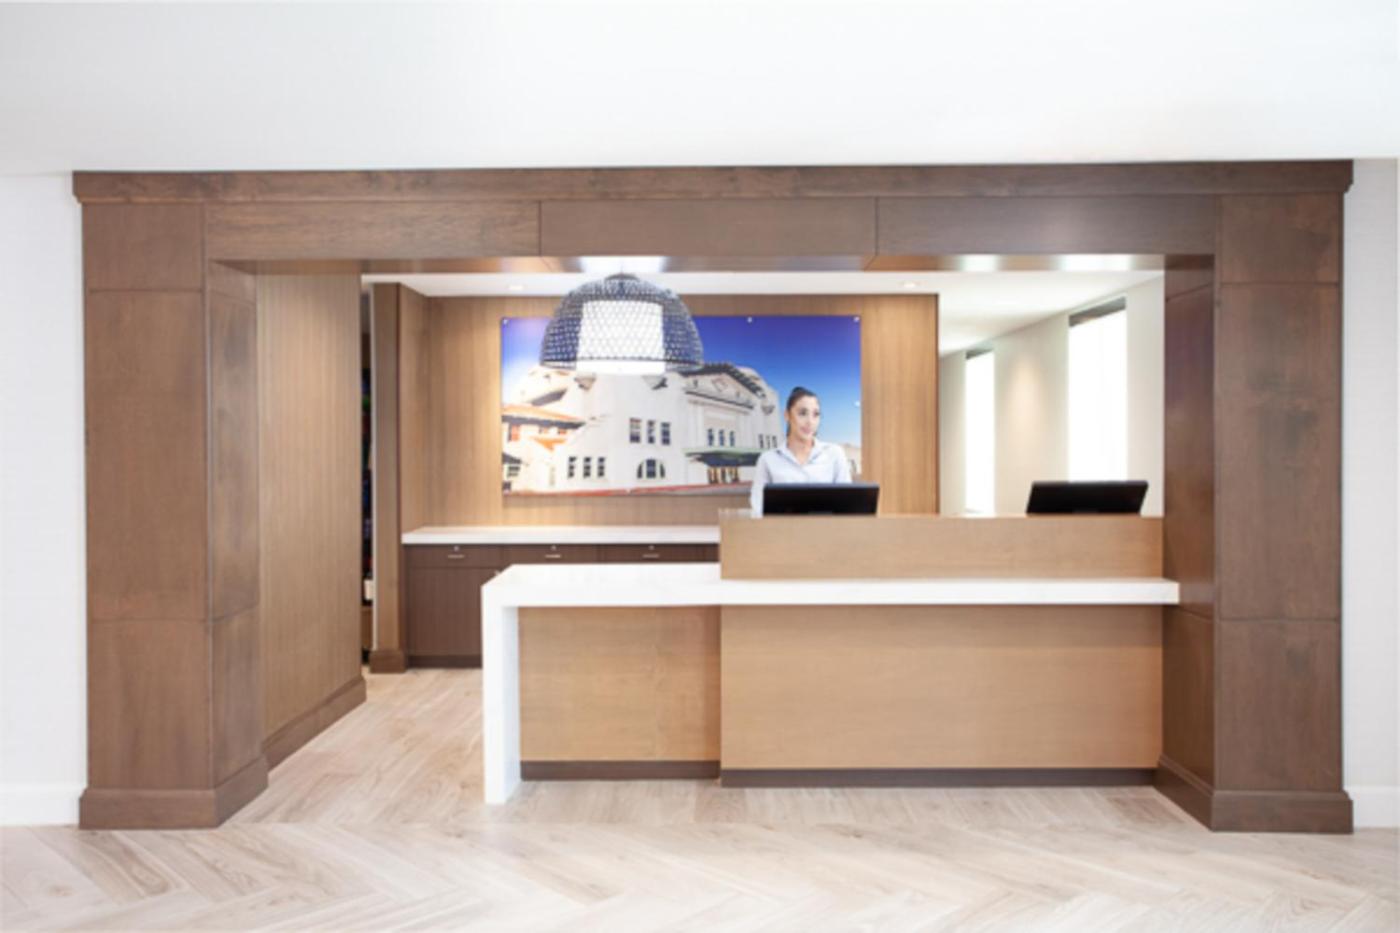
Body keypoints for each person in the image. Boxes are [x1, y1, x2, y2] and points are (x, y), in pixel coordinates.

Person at [749, 386, 853, 515]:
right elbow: (758, 510)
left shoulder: (835, 454)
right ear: (787, 415)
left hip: (826, 528)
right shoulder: (768, 460)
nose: (810, 421)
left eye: (816, 414)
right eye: (802, 413)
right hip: (782, 528)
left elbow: (847, 507)